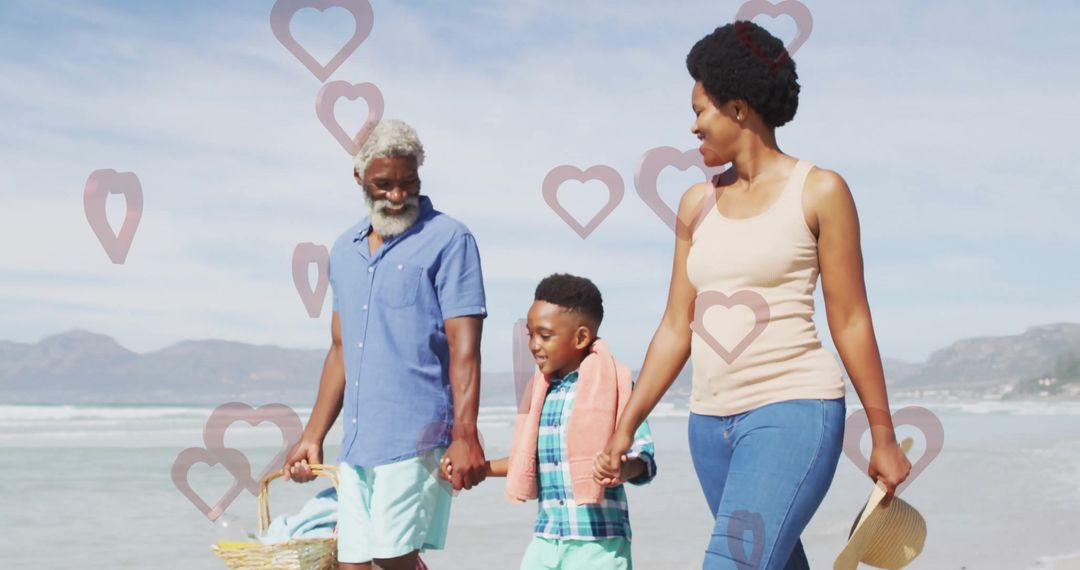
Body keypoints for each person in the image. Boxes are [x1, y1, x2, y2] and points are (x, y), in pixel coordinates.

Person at [598, 22, 912, 569]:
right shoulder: (696, 204)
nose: (692, 125)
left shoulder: (819, 190)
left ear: (739, 108)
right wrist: (626, 422)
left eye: (700, 110)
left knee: (733, 564)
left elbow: (851, 319)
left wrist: (880, 434)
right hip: (709, 425)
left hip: (793, 407)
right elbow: (676, 326)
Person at [283, 119, 489, 570]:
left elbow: (465, 349)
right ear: (359, 177)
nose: (398, 196)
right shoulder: (343, 250)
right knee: (353, 564)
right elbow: (340, 349)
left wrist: (465, 434)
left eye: (408, 182)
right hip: (357, 444)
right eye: (384, 184)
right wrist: (311, 436)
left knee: (394, 559)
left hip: (416, 437)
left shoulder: (450, 240)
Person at [442, 273, 657, 570]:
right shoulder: (541, 393)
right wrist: (479, 470)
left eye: (545, 335)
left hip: (599, 543)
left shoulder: (616, 386)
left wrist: (624, 467)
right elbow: (531, 461)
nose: (533, 345)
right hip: (546, 539)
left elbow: (645, 457)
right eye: (530, 334)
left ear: (580, 337)